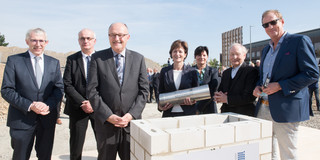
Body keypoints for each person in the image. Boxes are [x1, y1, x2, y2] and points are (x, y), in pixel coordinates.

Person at [253, 10, 319, 160]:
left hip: (286, 108)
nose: (269, 27)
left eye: (273, 22)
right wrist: (258, 86)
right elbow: (263, 76)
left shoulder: (299, 41)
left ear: (282, 21)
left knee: (287, 154)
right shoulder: (265, 50)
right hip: (263, 107)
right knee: (267, 151)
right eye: (265, 25)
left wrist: (280, 85)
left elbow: (312, 74)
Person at [87, 23, 149, 160]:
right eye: (113, 35)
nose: (117, 38)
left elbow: (144, 91)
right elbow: (92, 91)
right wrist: (108, 115)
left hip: (131, 125)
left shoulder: (138, 59)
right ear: (108, 37)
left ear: (128, 37)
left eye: (120, 35)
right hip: (106, 125)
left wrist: (131, 115)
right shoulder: (97, 58)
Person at [1, 28, 64, 160]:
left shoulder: (53, 63)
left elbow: (58, 89)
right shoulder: (14, 61)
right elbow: (7, 90)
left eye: (41, 40)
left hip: (46, 120)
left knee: (45, 156)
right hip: (22, 119)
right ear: (27, 41)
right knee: (20, 157)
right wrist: (30, 105)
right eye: (33, 40)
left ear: (46, 42)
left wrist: (47, 105)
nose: (38, 44)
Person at [63, 28, 97, 160]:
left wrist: (93, 103)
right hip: (78, 108)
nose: (85, 41)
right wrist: (83, 102)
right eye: (82, 38)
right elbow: (67, 84)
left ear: (94, 41)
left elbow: (107, 85)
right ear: (78, 41)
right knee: (76, 144)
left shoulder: (102, 59)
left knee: (103, 143)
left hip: (98, 108)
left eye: (88, 38)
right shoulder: (72, 59)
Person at [214, 43, 258, 116]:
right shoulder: (226, 73)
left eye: (237, 54)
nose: (234, 57)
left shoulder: (251, 71)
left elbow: (249, 97)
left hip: (243, 116)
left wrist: (227, 99)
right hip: (226, 114)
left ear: (244, 55)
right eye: (232, 54)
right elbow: (221, 90)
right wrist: (218, 96)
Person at [157, 40, 198, 117]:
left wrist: (193, 101)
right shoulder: (164, 71)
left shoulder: (192, 71)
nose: (177, 54)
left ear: (185, 54)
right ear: (171, 54)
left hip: (188, 113)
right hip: (168, 113)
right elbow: (160, 92)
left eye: (180, 51)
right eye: (175, 51)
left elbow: (196, 93)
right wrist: (160, 106)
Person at [193, 46, 220, 114]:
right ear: (195, 57)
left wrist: (199, 108)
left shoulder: (213, 71)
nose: (202, 57)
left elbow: (212, 90)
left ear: (207, 57)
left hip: (209, 108)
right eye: (199, 55)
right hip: (192, 108)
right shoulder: (189, 71)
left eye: (204, 55)